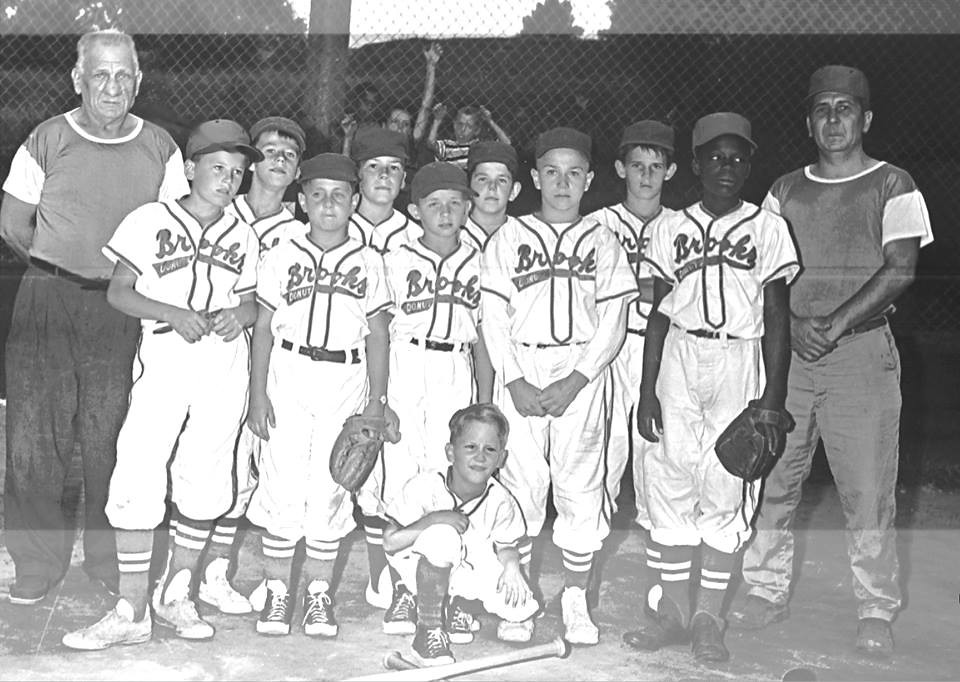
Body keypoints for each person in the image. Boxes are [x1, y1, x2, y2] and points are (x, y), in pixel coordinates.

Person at [730, 66, 933, 658]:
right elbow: (758, 269)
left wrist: (833, 323)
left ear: (865, 119)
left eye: (845, 108)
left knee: (867, 488)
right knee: (773, 475)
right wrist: (791, 325)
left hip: (861, 352)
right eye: (822, 109)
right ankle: (764, 591)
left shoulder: (894, 183)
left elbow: (901, 268)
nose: (834, 120)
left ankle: (874, 607)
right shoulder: (785, 190)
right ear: (809, 121)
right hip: (789, 354)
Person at [0, 28, 188, 606]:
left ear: (139, 81)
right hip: (47, 299)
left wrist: (117, 283)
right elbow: (13, 225)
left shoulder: (161, 148)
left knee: (116, 438)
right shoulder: (46, 139)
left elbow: (176, 235)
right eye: (99, 75)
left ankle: (111, 561)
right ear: (78, 80)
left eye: (123, 75)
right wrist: (64, 269)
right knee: (34, 438)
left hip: (121, 306)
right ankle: (36, 562)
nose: (112, 86)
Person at [61, 119, 262, 650]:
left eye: (237, 172)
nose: (227, 180)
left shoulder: (242, 232)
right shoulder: (151, 218)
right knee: (139, 467)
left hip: (223, 361)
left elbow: (249, 301)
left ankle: (176, 593)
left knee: (208, 472)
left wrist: (238, 315)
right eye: (217, 167)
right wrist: (171, 311)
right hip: (166, 353)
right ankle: (131, 608)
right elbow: (119, 292)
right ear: (191, 168)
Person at [627, 112, 798, 663]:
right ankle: (675, 613)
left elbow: (776, 314)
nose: (728, 168)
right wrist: (647, 389)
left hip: (737, 356)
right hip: (678, 352)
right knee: (671, 476)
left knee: (726, 485)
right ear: (695, 164)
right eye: (716, 157)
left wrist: (772, 397)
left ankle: (708, 619)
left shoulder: (767, 226)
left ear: (750, 164)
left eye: (739, 158)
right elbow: (656, 314)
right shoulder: (669, 228)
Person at [480, 127, 637, 645]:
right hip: (522, 368)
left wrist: (577, 379)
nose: (562, 182)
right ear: (535, 177)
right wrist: (515, 378)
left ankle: (575, 598)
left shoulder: (602, 238)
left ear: (590, 179)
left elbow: (615, 320)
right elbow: (492, 316)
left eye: (574, 173)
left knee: (580, 486)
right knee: (521, 488)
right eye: (552, 171)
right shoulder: (510, 236)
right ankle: (517, 598)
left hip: (581, 372)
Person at [245, 153, 397, 638]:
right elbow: (265, 329)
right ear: (301, 201)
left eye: (338, 195)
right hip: (288, 372)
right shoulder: (281, 253)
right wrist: (255, 394)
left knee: (331, 489)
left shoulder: (370, 261)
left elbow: (378, 335)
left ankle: (316, 596)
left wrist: (375, 400)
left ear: (354, 201)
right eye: (317, 194)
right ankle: (276, 593)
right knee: (281, 482)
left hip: (345, 378)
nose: (328, 204)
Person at [359, 162, 489, 634]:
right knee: (401, 478)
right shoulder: (393, 259)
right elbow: (376, 332)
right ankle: (402, 589)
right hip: (406, 366)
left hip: (455, 366)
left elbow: (486, 338)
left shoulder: (480, 261)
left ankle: (451, 591)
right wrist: (380, 395)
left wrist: (486, 404)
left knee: (449, 477)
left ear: (468, 208)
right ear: (414, 211)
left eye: (455, 203)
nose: (446, 212)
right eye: (434, 204)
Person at [199, 116, 307, 617]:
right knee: (206, 465)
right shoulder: (221, 208)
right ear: (250, 160)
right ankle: (183, 572)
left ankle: (219, 572)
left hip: (268, 359)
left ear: (299, 169)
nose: (278, 159)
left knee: (253, 468)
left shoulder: (301, 229)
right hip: (211, 349)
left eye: (289, 153)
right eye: (269, 150)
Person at [586, 120, 677, 598]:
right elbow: (592, 291)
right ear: (621, 168)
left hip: (661, 350)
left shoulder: (681, 225)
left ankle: (661, 582)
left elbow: (682, 295)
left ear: (671, 170)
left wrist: (633, 285)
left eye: (656, 166)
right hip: (611, 350)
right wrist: (649, 286)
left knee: (656, 463)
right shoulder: (598, 223)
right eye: (637, 165)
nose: (646, 175)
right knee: (602, 460)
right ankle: (586, 574)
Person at [382, 403, 539, 665]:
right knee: (443, 535)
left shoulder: (501, 499)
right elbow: (389, 542)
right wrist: (433, 519)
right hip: (416, 566)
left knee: (520, 609)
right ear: (451, 452)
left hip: (466, 566)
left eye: (490, 450)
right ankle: (428, 628)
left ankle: (460, 605)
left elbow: (506, 545)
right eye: (470, 447)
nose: (480, 457)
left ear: (501, 458)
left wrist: (512, 566)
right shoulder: (425, 485)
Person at [348, 127, 417, 253]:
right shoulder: (334, 230)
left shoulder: (415, 239)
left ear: (403, 179)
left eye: (394, 167)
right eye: (373, 166)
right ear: (358, 174)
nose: (384, 174)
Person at [461, 141, 522, 254]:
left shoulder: (526, 236)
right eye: (483, 179)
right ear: (468, 187)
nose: (492, 187)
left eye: (502, 180)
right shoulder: (451, 236)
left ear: (514, 191)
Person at [428, 105, 511, 171]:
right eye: (460, 124)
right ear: (454, 125)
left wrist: (490, 121)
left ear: (476, 130)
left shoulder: (479, 146)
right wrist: (437, 120)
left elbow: (506, 143)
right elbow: (431, 143)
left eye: (469, 126)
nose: (463, 129)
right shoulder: (447, 145)